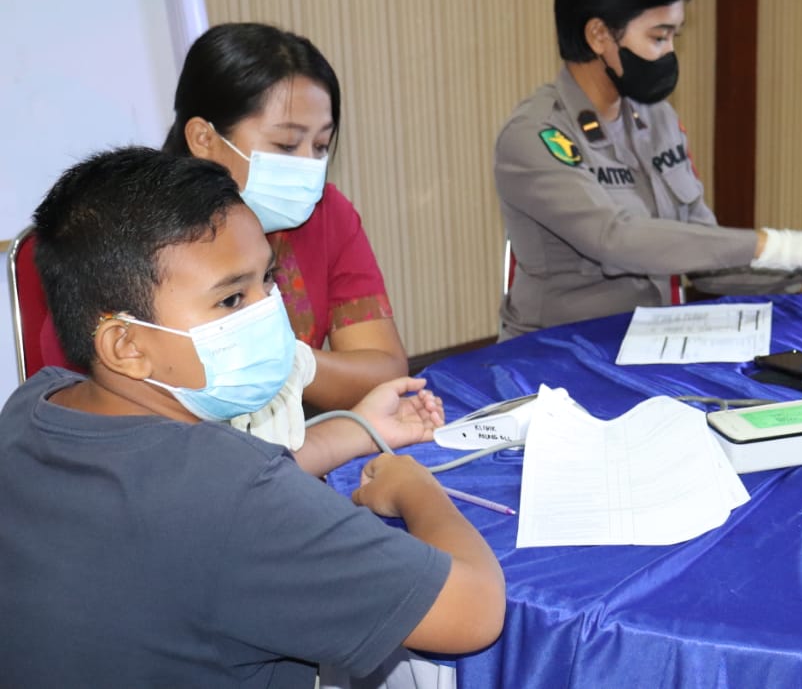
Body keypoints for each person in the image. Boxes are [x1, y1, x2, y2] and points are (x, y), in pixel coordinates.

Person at [0, 147, 505, 685]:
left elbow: (215, 500)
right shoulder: (227, 493)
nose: (269, 311)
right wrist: (416, 488)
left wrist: (356, 431)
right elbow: (472, 612)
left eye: (268, 280)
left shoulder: (37, 404)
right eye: (231, 300)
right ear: (125, 344)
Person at [495, 0, 802, 339]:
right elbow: (613, 238)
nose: (670, 52)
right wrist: (773, 245)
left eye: (675, 36)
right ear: (599, 35)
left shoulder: (657, 119)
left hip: (653, 343)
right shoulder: (536, 136)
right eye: (658, 37)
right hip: (559, 355)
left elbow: (704, 259)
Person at [161, 22, 408, 410]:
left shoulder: (326, 214)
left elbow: (384, 372)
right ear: (204, 139)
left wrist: (292, 363)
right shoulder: (143, 234)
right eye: (287, 144)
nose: (309, 166)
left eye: (321, 145)